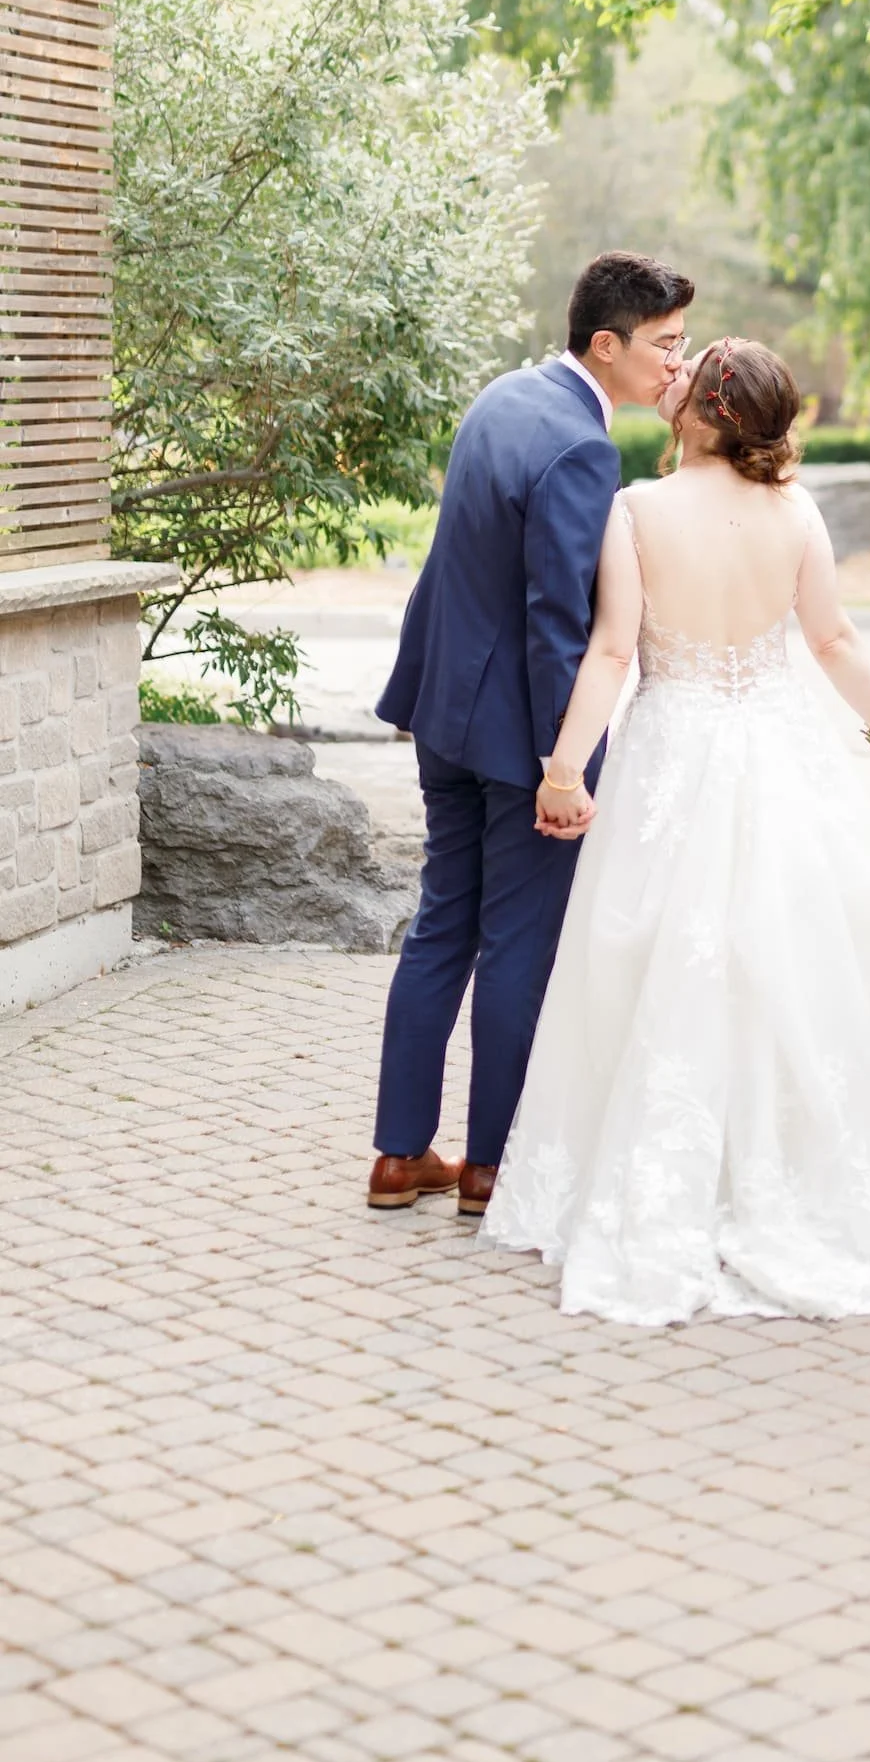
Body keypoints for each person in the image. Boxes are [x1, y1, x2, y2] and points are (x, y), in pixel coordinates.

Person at [480, 336, 870, 1324]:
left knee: (651, 962)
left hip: (671, 762)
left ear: (704, 413)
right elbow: (833, 640)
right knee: (778, 968)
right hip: (774, 757)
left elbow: (615, 650)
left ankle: (671, 1183)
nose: (666, 382)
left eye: (684, 376)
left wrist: (562, 765)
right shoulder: (794, 513)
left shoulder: (637, 508)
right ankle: (773, 1175)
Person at [366, 251, 696, 1219]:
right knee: (517, 944)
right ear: (607, 343)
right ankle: (489, 1168)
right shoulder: (584, 450)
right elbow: (560, 619)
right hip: (521, 743)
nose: (673, 365)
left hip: (443, 716)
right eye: (663, 346)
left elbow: (453, 567)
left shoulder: (501, 399)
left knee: (440, 926)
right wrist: (569, 763)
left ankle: (396, 1154)